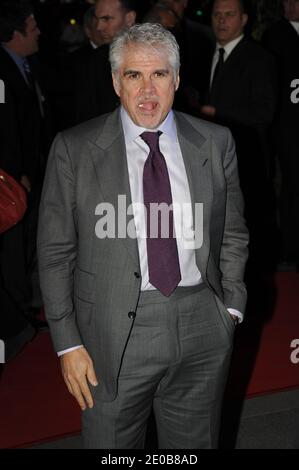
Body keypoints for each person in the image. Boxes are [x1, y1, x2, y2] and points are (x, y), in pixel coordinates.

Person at [38, 22, 248, 449]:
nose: (147, 90)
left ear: (177, 78)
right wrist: (67, 344)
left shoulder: (214, 142)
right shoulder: (74, 150)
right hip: (113, 334)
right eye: (134, 75)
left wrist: (231, 307)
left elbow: (232, 230)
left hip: (202, 322)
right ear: (116, 81)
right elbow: (55, 253)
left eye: (159, 74)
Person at [200, 0, 277, 274]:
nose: (221, 20)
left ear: (244, 19)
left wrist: (216, 111)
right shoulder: (204, 53)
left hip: (246, 159)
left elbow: (265, 110)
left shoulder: (259, 59)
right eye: (217, 14)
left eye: (229, 15)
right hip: (209, 159)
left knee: (243, 225)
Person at [0, 0, 51, 357]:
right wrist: (16, 173)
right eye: (32, 28)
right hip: (11, 181)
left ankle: (21, 313)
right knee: (12, 250)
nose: (39, 33)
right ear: (15, 34)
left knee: (25, 243)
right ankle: (15, 321)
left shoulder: (28, 66)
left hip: (27, 173)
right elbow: (6, 130)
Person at [262, 0, 299, 269]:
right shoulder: (275, 35)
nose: (291, 5)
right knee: (293, 184)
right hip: (288, 126)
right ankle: (290, 248)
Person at [74, 0, 136, 124]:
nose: (98, 27)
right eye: (97, 19)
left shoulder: (155, 55)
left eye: (106, 19)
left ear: (129, 18)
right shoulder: (92, 62)